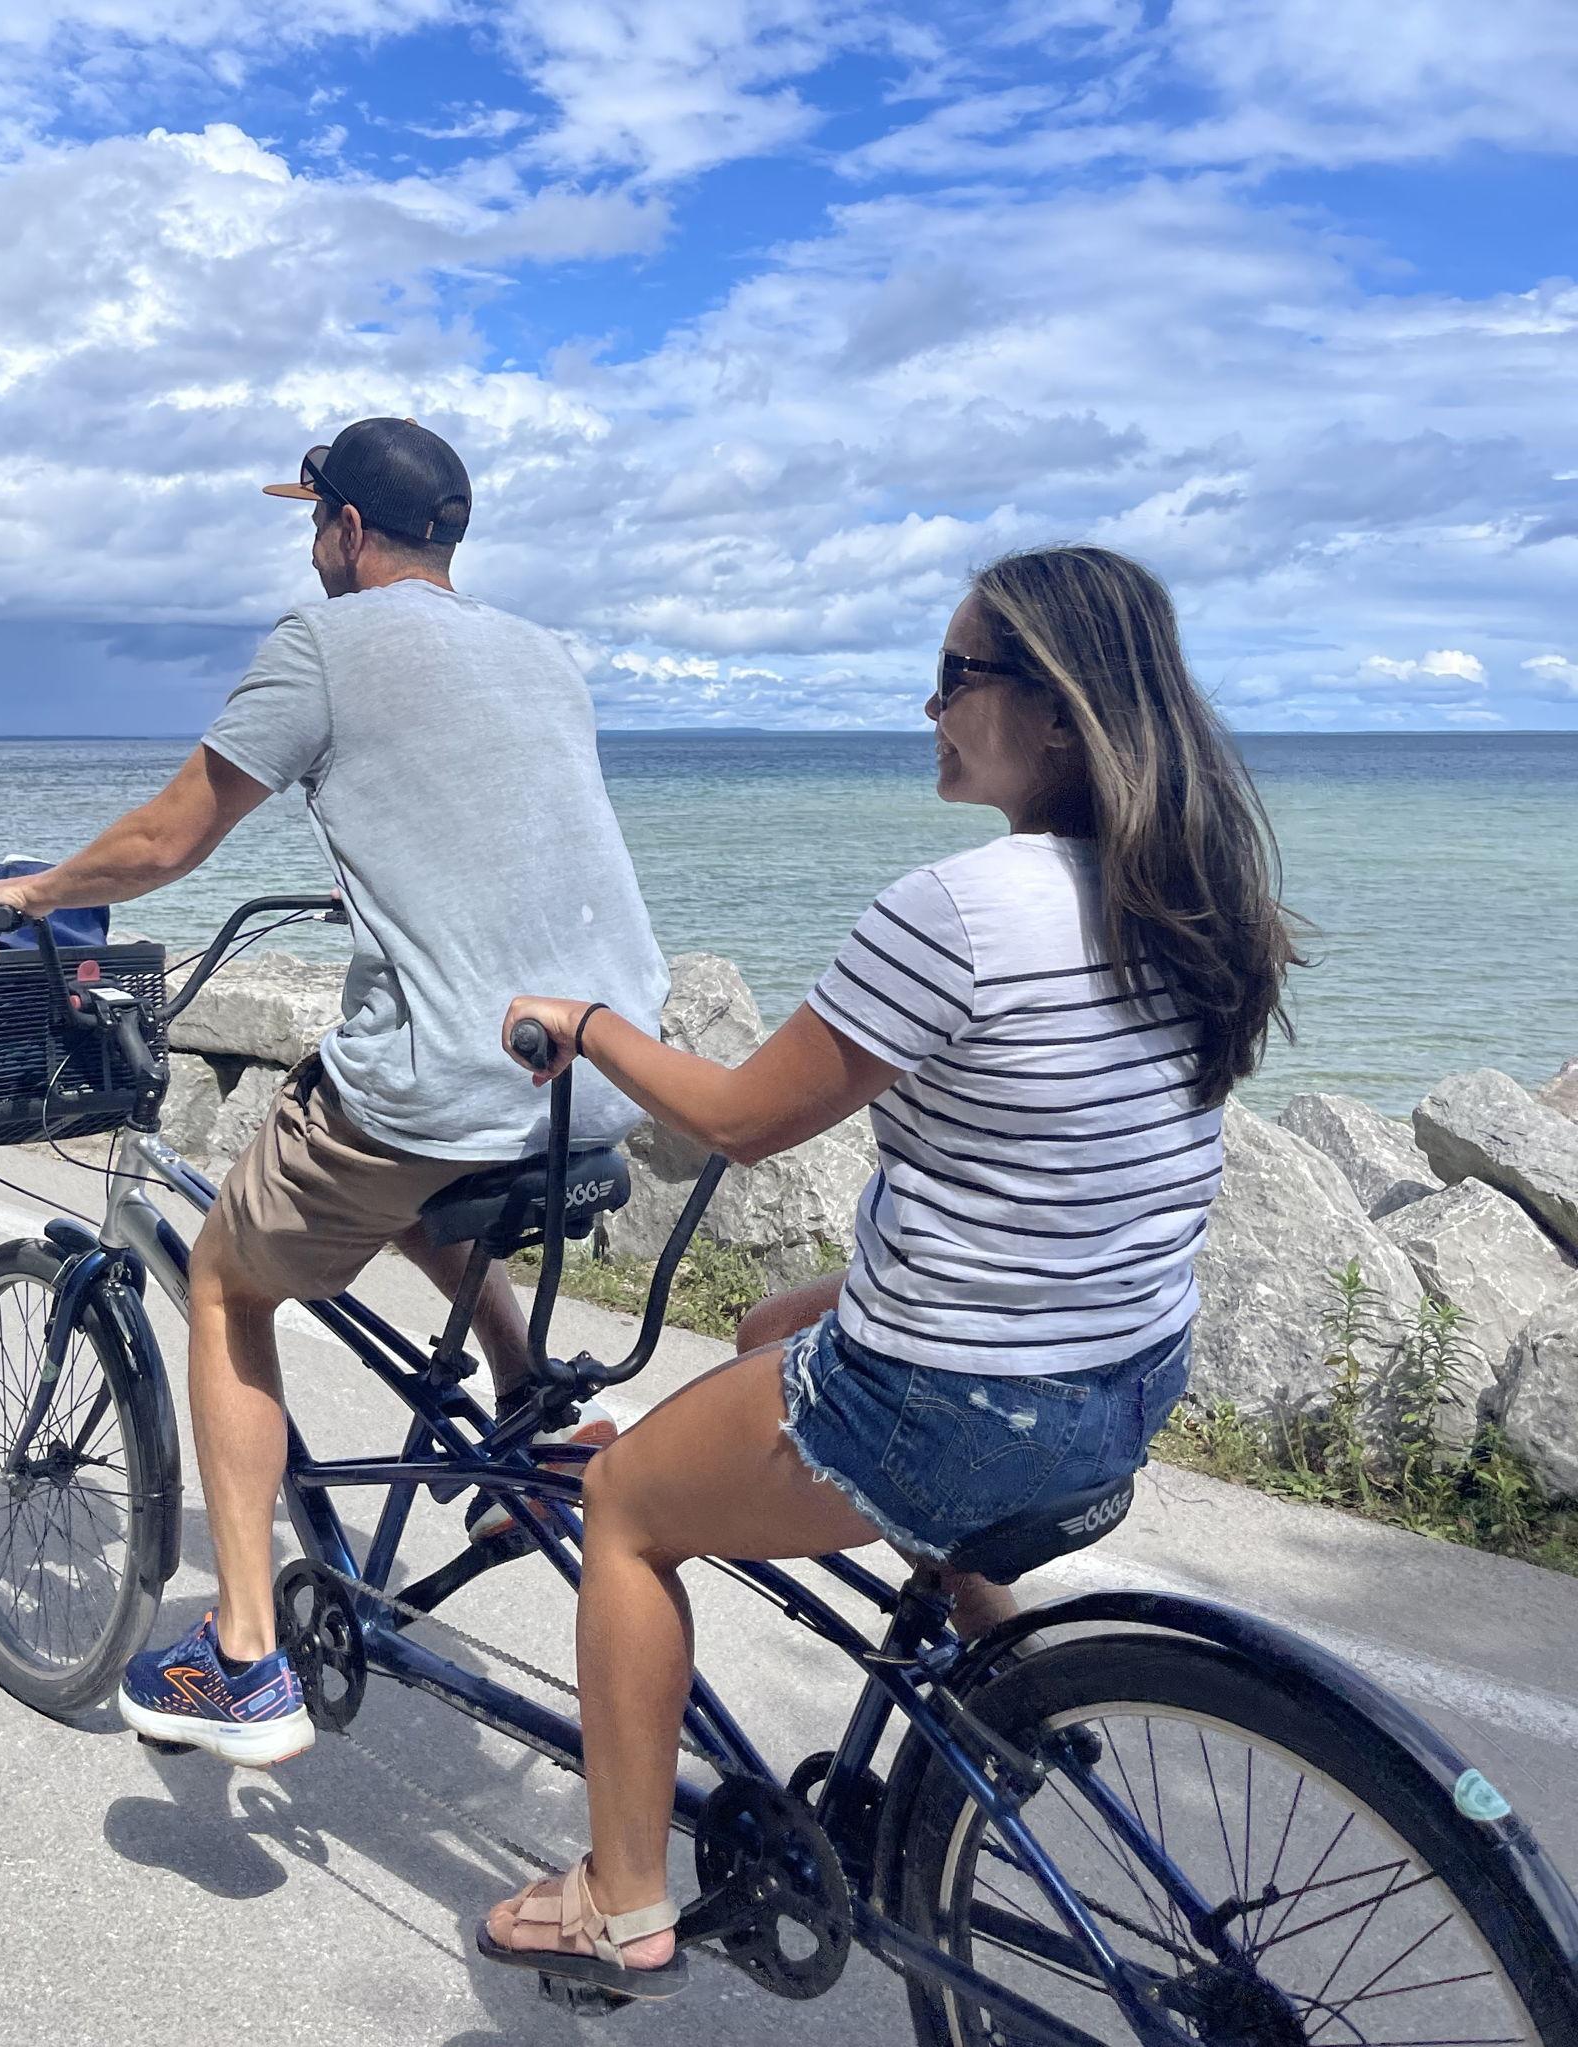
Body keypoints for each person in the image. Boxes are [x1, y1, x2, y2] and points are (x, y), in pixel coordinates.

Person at [480, 544, 1304, 1998]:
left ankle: (620, 1897)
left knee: (620, 1507)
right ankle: (1000, 1667)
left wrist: (591, 1023)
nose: (930, 709)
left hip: (961, 1402)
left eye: (955, 677)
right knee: (775, 1321)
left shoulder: (963, 909)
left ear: (1057, 713)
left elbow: (738, 1117)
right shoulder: (1193, 894)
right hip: (1119, 1379)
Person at [0, 418, 668, 1766]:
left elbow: (174, 835)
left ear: (348, 531)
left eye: (313, 523)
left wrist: (39, 890)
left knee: (231, 1276)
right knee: (384, 1137)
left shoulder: (323, 643)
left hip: (452, 1083)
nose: (308, 545)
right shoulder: (545, 653)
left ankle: (239, 1658)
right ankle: (534, 1411)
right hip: (596, 1069)